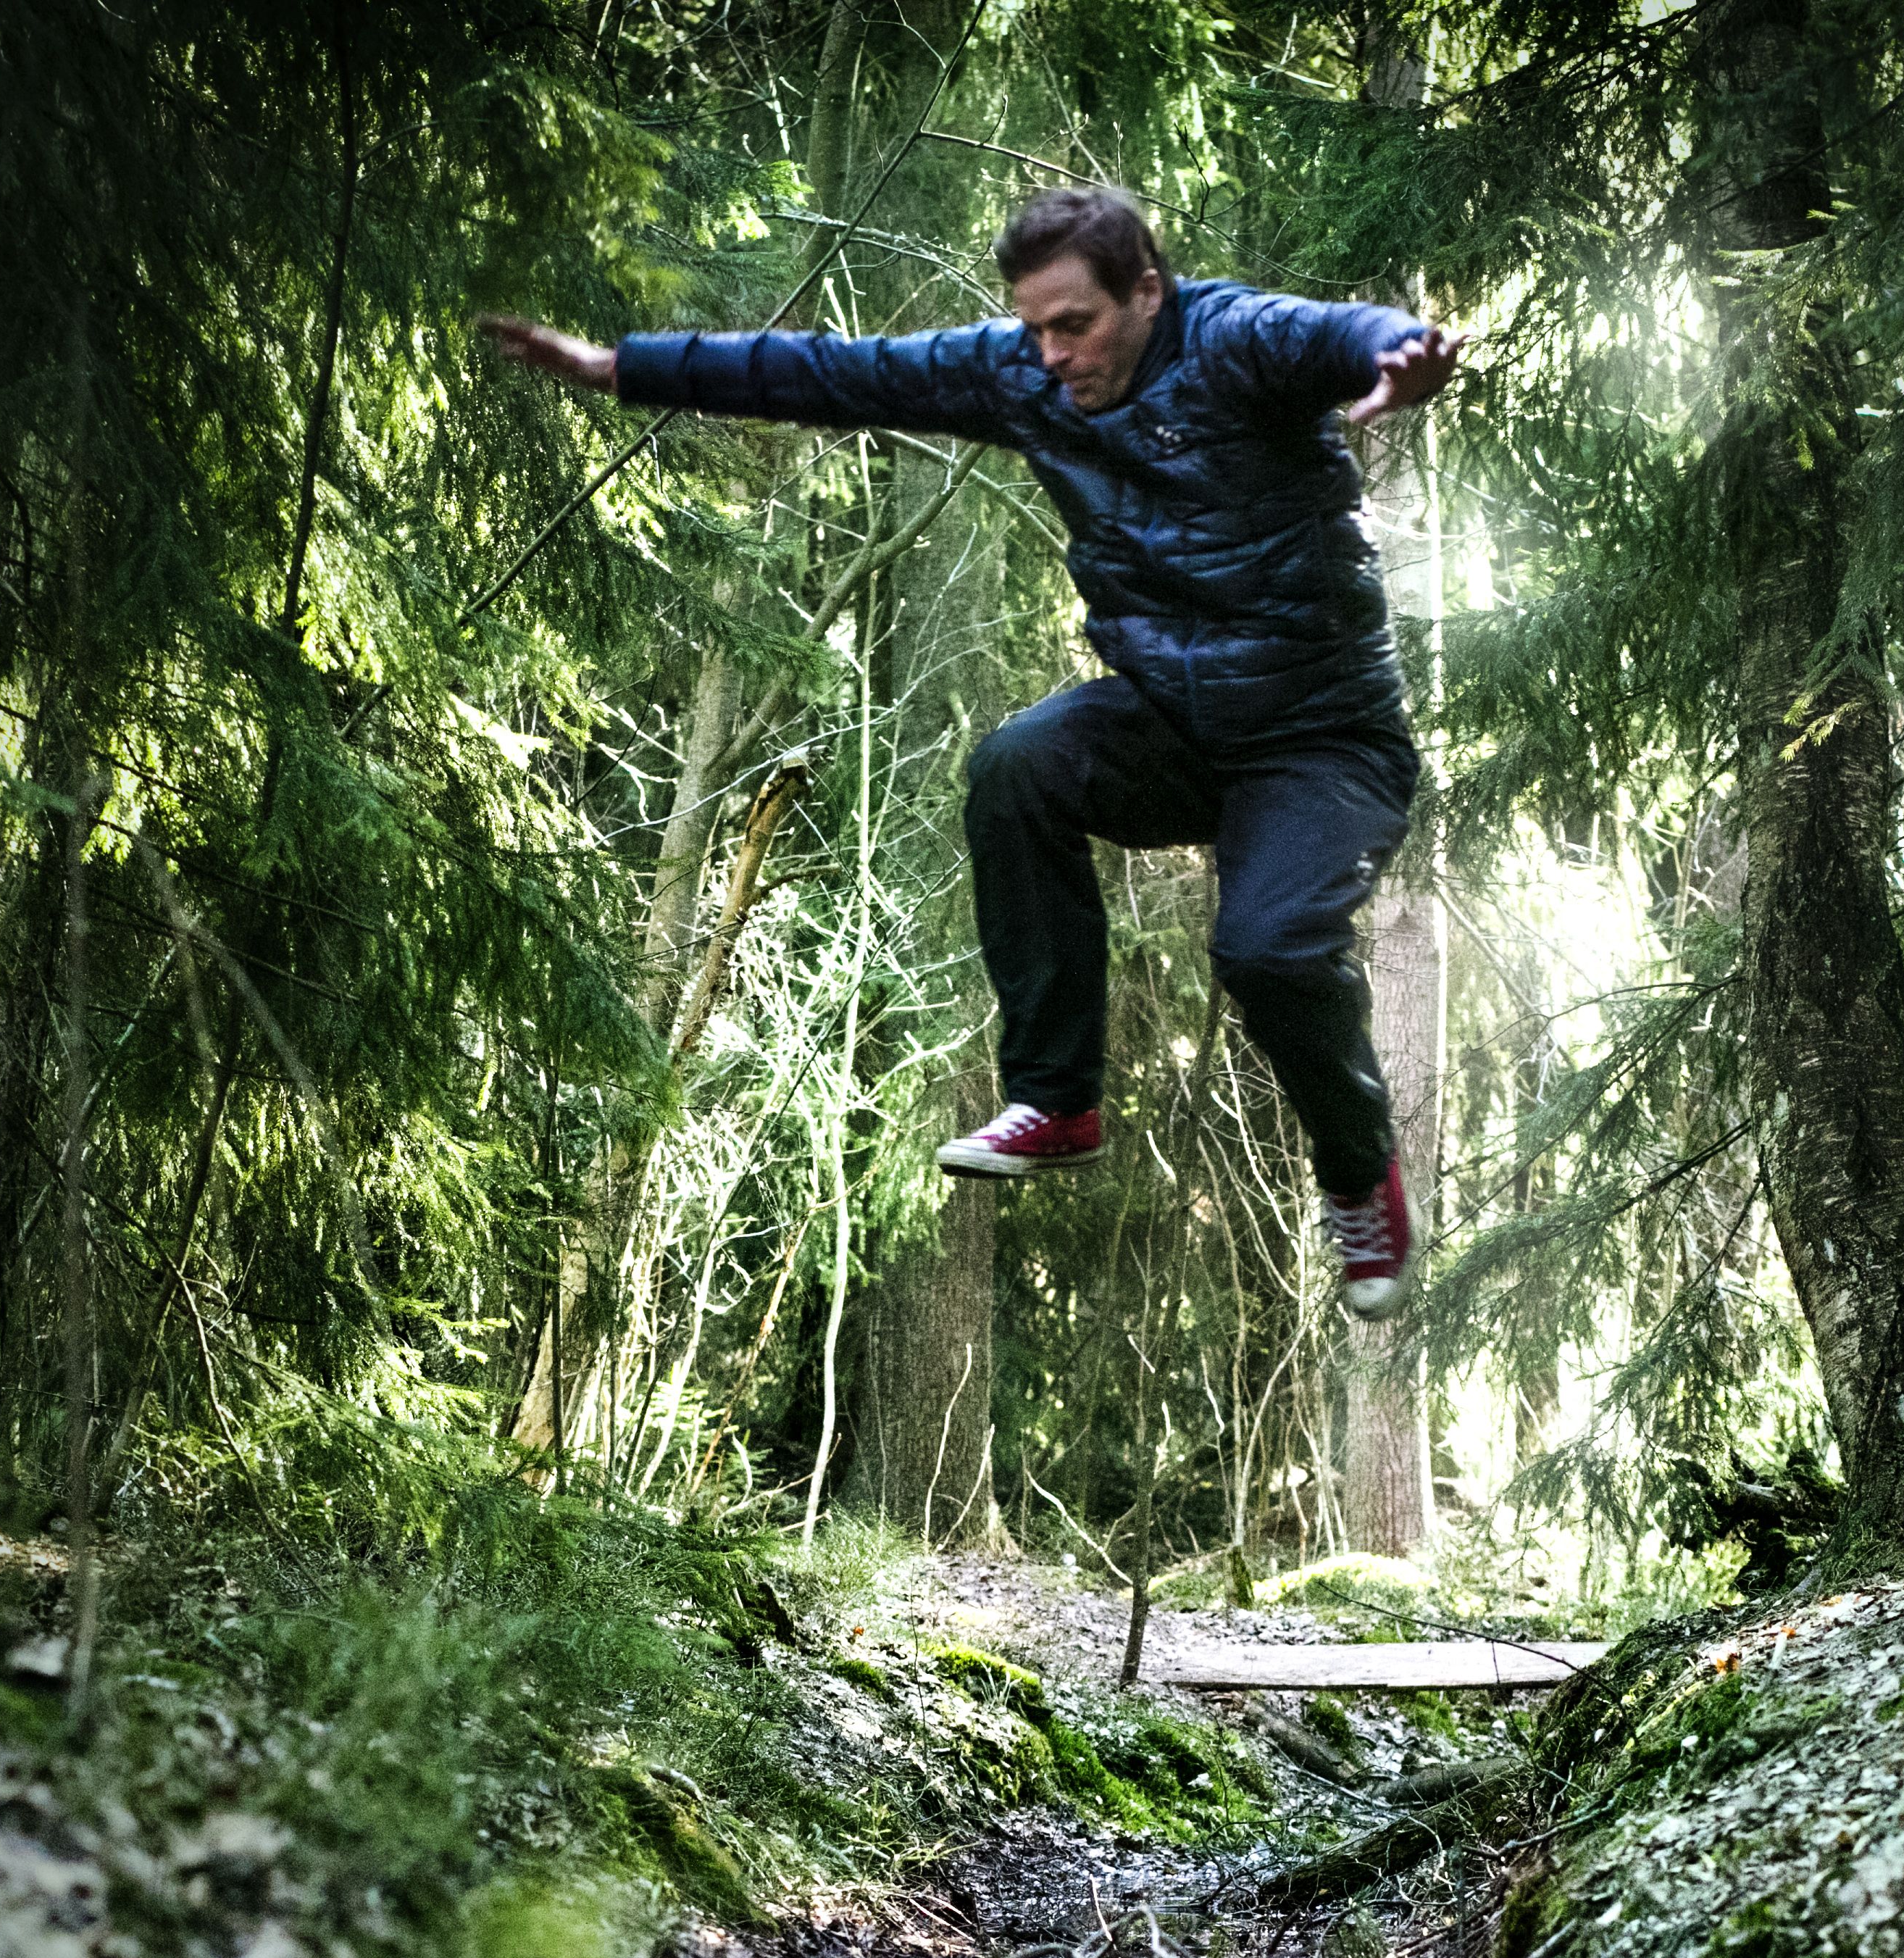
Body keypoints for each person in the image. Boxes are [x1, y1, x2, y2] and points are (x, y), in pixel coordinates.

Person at [485, 186, 1459, 1317]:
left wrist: (1398, 355)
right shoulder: (1015, 373)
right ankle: (1058, 1102)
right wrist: (625, 368)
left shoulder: (1236, 342)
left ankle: (1363, 1185)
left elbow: (1337, 331)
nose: (1051, 355)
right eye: (1034, 326)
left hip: (1323, 743)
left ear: (1148, 291)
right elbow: (839, 374)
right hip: (1172, 729)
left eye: (1076, 326)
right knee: (1018, 763)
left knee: (1267, 951)